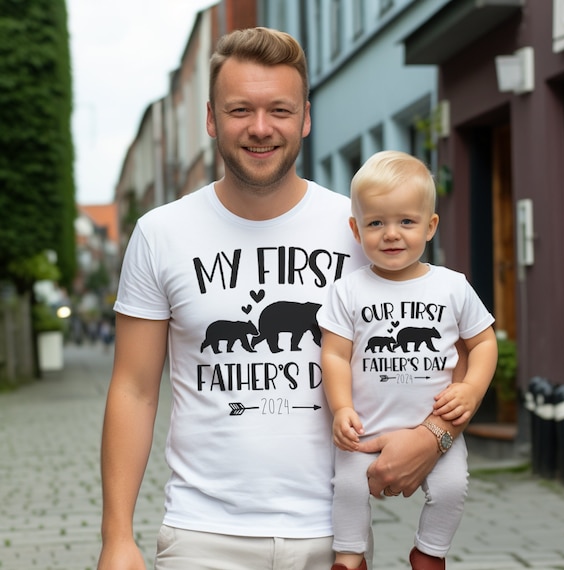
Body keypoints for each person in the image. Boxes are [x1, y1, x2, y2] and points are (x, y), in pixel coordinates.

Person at [97, 29, 465, 570]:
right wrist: (116, 537)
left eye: (280, 110)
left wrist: (434, 437)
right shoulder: (161, 233)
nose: (261, 128)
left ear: (306, 119)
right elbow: (133, 389)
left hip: (337, 535)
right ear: (211, 120)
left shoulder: (362, 231)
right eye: (240, 109)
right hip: (202, 535)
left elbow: (444, 341)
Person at [318, 150, 498, 570]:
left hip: (434, 422)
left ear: (430, 226)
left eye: (406, 221)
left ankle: (430, 552)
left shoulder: (452, 287)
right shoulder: (348, 290)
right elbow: (335, 354)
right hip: (365, 424)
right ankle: (349, 555)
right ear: (355, 228)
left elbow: (484, 343)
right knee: (346, 486)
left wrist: (471, 390)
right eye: (376, 222)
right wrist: (342, 407)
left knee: (453, 487)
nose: (391, 234)